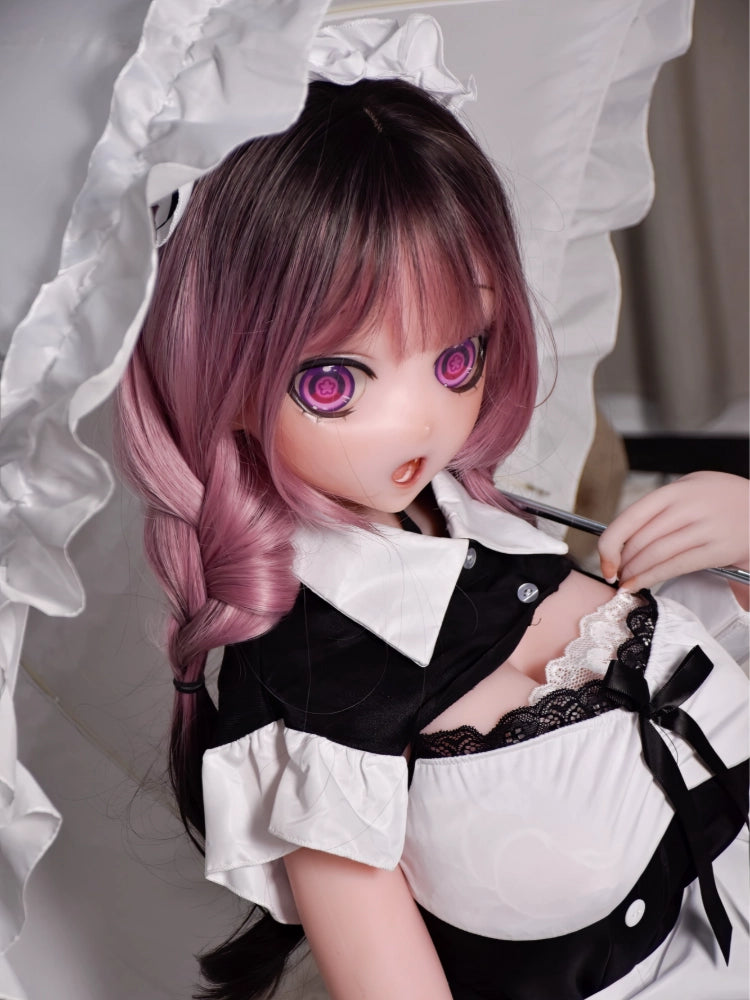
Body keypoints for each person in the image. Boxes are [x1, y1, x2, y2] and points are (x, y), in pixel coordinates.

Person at [114, 56, 749, 1000]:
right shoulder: (317, 695)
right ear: (214, 372)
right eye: (333, 380)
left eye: (458, 358)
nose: (420, 422)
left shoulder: (497, 528)